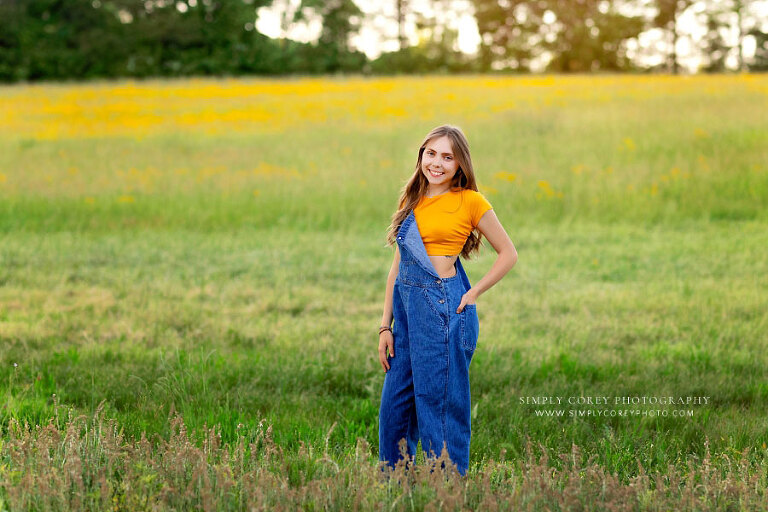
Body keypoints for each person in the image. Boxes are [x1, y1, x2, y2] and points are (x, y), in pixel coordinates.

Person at [377, 124, 518, 477]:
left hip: (442, 308)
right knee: (395, 410)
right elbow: (397, 268)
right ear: (421, 156)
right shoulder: (413, 200)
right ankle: (396, 489)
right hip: (407, 314)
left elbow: (508, 253)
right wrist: (385, 325)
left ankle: (448, 491)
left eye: (447, 156)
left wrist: (473, 293)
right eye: (431, 153)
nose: (436, 163)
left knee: (439, 407)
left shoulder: (470, 201)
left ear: (459, 165)